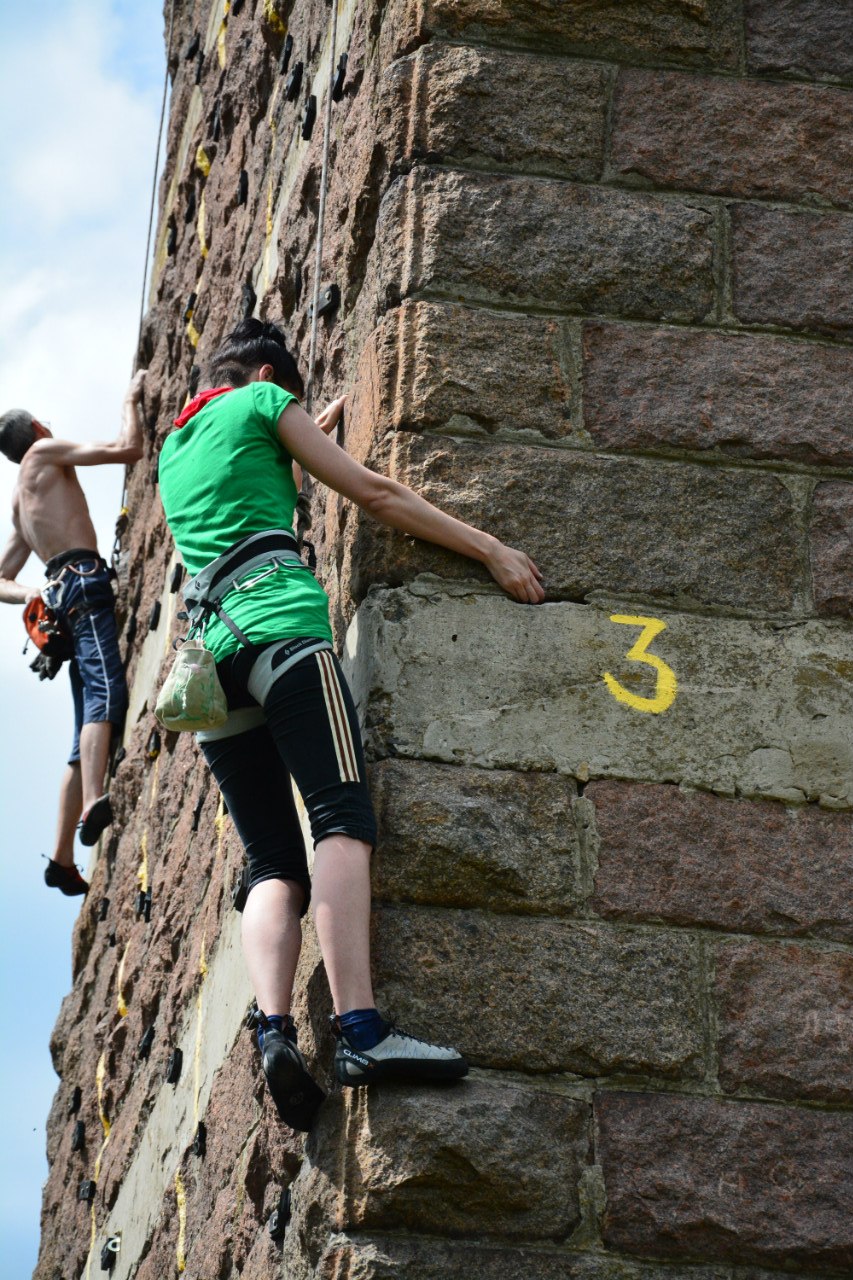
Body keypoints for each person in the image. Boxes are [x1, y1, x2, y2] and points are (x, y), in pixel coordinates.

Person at [157, 318, 544, 1129]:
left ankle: (273, 1028)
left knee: (270, 861)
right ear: (267, 374)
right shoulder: (267, 398)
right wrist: (488, 549)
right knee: (339, 817)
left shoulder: (176, 446)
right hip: (278, 628)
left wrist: (301, 429)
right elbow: (373, 491)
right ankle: (360, 1030)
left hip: (210, 666)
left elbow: (242, 488)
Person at [0, 374, 145, 896]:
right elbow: (126, 448)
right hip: (83, 582)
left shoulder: (19, 501)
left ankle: (61, 859)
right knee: (108, 692)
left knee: (83, 725)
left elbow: (0, 579)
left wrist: (34, 595)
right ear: (37, 428)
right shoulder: (46, 451)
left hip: (62, 593)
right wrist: (130, 399)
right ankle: (91, 803)